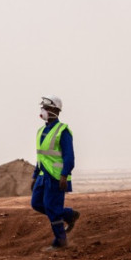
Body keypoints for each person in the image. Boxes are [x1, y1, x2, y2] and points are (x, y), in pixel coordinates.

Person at [31, 95, 80, 250]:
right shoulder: (41, 131)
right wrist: (34, 175)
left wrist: (64, 175)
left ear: (54, 110)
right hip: (42, 177)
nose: (43, 110)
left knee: (52, 208)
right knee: (37, 204)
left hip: (56, 178)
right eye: (42, 107)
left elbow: (69, 156)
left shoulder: (63, 131)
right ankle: (69, 215)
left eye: (45, 108)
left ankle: (61, 241)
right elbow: (41, 156)